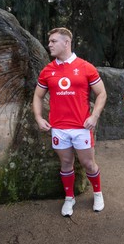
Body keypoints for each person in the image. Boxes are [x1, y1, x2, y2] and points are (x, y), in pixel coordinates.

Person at [33, 27, 107, 217]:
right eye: (49, 41)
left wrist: (94, 116)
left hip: (82, 127)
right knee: (66, 163)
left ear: (66, 42)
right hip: (58, 128)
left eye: (53, 41)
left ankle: (98, 193)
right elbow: (38, 96)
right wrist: (39, 118)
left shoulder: (85, 67)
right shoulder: (47, 70)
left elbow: (102, 93)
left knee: (88, 163)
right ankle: (69, 198)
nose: (49, 44)